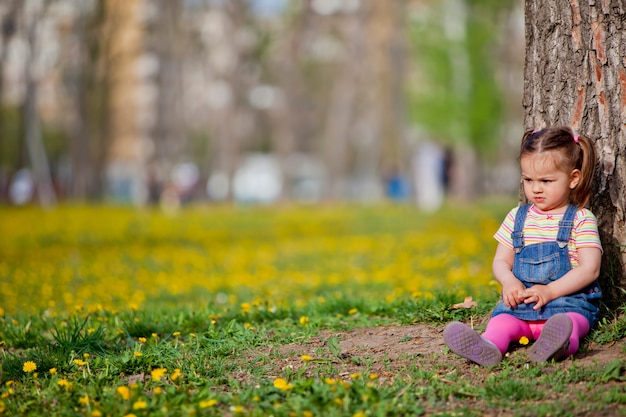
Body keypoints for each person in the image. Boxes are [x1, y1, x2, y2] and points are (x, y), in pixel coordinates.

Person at [443, 126, 603, 366]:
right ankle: (488, 346)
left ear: (573, 178)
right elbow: (501, 261)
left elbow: (590, 269)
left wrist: (550, 291)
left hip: (566, 303)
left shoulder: (581, 219)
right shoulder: (517, 217)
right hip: (521, 307)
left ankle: (560, 344)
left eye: (546, 181)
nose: (535, 188)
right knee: (502, 322)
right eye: (528, 180)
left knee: (572, 322)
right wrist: (509, 281)